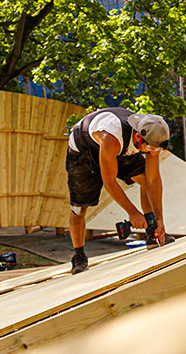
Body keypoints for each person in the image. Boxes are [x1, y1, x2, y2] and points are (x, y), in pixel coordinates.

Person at [66, 107, 172, 274]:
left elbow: (153, 180)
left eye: (155, 150)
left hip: (119, 148)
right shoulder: (111, 136)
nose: (152, 153)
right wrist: (133, 212)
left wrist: (159, 220)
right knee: (79, 208)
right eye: (150, 149)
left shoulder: (152, 133)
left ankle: (152, 231)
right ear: (138, 137)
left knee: (145, 178)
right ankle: (79, 256)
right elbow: (109, 181)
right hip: (85, 150)